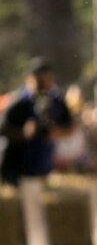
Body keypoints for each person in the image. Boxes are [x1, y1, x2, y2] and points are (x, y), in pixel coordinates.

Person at [1, 58, 73, 187]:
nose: (44, 85)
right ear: (30, 79)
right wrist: (23, 133)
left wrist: (55, 132)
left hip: (44, 166)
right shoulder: (18, 102)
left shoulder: (57, 102)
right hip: (19, 168)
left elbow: (70, 127)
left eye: (47, 80)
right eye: (40, 81)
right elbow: (3, 129)